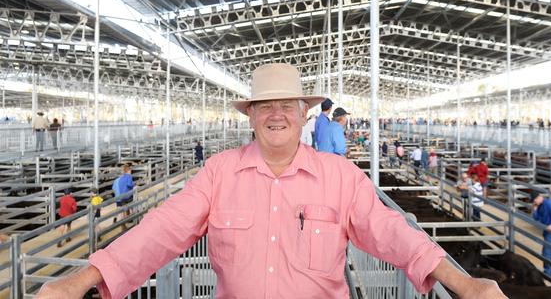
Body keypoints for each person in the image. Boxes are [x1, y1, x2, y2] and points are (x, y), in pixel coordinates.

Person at [36, 63, 505, 299]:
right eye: (265, 106)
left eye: (286, 105)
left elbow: (391, 231)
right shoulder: (219, 173)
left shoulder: (340, 177)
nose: (276, 113)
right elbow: (162, 228)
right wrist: (79, 280)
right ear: (252, 117)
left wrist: (462, 283)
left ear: (304, 115)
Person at [531, 190, 551, 279]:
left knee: (546, 252)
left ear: (539, 197)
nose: (534, 202)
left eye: (534, 200)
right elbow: (536, 218)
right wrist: (535, 210)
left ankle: (547, 273)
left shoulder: (549, 204)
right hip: (546, 230)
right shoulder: (539, 206)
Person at [112, 164, 134, 229]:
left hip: (118, 197)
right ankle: (131, 218)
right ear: (128, 170)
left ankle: (119, 221)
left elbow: (113, 188)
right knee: (131, 206)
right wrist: (134, 185)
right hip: (126, 196)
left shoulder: (117, 180)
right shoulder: (128, 176)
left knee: (120, 209)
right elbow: (129, 184)